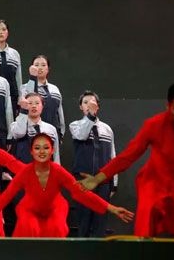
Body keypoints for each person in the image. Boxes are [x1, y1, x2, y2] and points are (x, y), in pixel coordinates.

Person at [78, 83, 174, 238]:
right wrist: (97, 179)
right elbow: (128, 156)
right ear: (168, 106)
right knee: (146, 218)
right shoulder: (154, 125)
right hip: (155, 179)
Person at [0, 133, 133, 237]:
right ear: (31, 152)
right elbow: (4, 199)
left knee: (56, 227)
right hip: (30, 209)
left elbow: (80, 192)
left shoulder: (58, 171)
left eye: (46, 147)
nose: (41, 151)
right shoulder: (25, 173)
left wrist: (112, 208)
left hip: (54, 208)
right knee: (28, 226)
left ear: (52, 150)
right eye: (37, 148)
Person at [69, 90, 117, 237]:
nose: (89, 105)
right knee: (83, 224)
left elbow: (113, 156)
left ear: (98, 106)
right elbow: (81, 135)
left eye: (92, 103)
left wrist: (114, 183)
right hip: (83, 182)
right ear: (80, 107)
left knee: (100, 225)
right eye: (85, 103)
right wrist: (90, 116)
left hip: (103, 183)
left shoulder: (107, 129)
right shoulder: (75, 125)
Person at [21, 55, 65, 140]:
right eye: (36, 65)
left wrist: (61, 132)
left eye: (43, 65)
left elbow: (59, 112)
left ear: (48, 69)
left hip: (53, 134)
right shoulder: (25, 88)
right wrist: (32, 78)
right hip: (32, 134)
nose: (40, 68)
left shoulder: (55, 89)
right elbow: (29, 101)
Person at [11, 92, 61, 164]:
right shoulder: (16, 125)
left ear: (42, 106)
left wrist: (57, 169)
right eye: (30, 103)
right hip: (24, 167)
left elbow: (56, 155)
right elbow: (20, 133)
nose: (34, 106)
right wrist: (23, 111)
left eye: (37, 103)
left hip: (45, 168)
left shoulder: (51, 129)